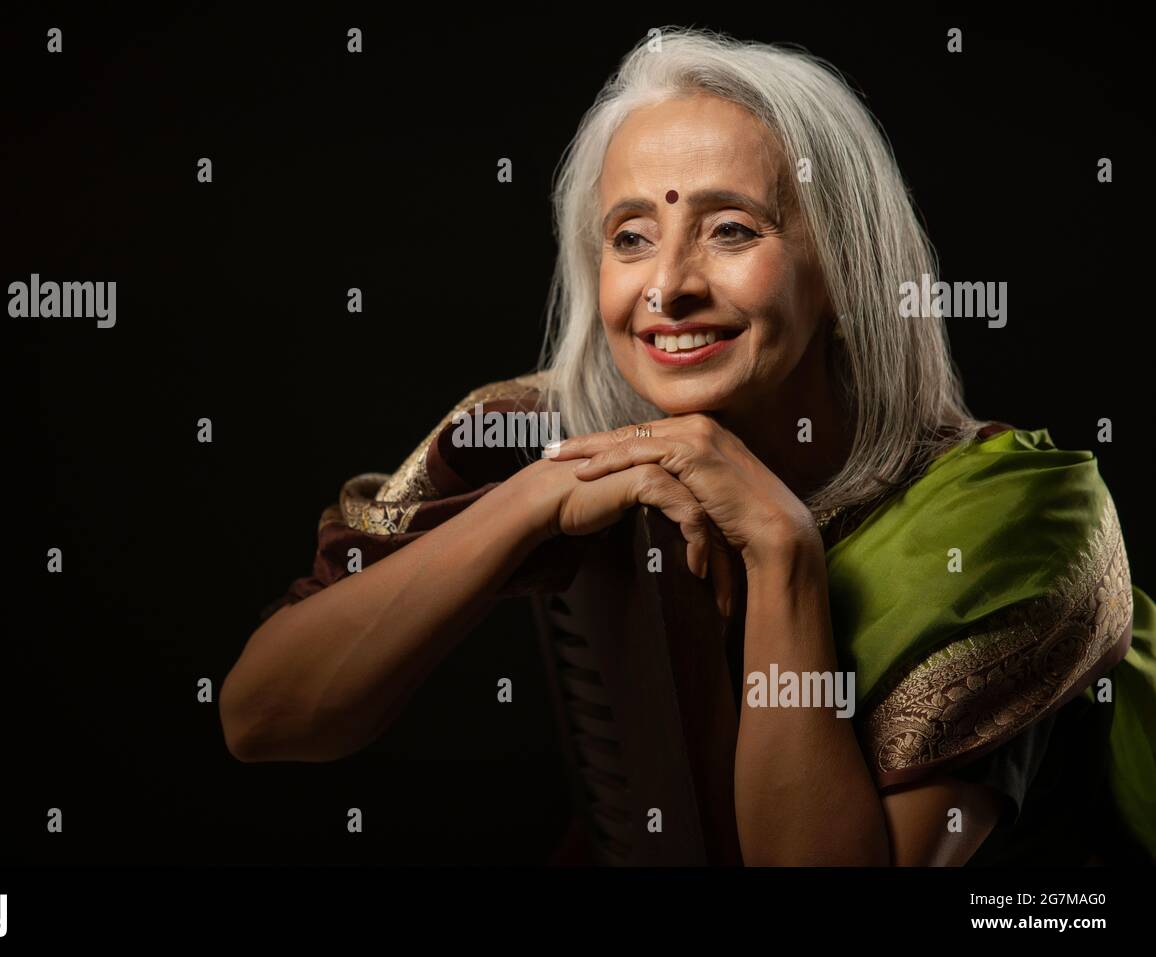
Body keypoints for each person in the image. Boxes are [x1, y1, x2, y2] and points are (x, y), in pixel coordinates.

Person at [219, 28, 1155, 866]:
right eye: (631, 237)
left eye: (731, 230)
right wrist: (540, 495)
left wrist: (782, 555)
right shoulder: (537, 432)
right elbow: (263, 718)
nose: (666, 286)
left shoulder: (1009, 513)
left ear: (845, 267)